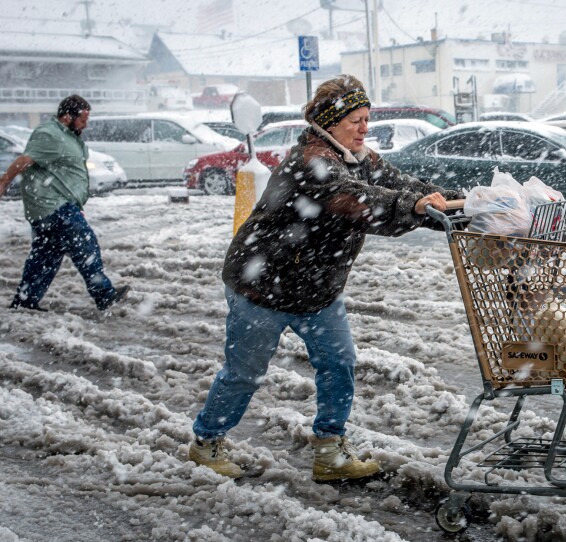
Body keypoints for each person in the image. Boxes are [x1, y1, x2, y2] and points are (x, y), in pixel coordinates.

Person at [188, 75, 462, 481]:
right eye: (356, 120)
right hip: (263, 286)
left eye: (367, 118)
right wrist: (413, 207)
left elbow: (402, 186)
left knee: (338, 363)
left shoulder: (359, 157)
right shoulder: (312, 164)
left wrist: (456, 205)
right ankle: (206, 442)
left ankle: (330, 452)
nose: (365, 128)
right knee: (245, 373)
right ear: (330, 123)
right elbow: (361, 203)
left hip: (317, 289)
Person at [0, 95, 129, 312]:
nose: (86, 124)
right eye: (83, 119)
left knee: (45, 255)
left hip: (54, 207)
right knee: (85, 245)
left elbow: (64, 173)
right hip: (54, 206)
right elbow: (23, 161)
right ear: (67, 116)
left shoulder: (68, 136)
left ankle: (25, 302)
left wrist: (75, 204)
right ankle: (104, 294)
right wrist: (3, 183)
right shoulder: (49, 134)